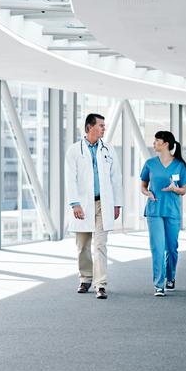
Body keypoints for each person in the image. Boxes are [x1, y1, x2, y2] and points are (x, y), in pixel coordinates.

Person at [64, 113, 122, 299]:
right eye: (101, 125)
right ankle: (85, 278)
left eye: (104, 126)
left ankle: (101, 283)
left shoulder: (108, 149)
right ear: (89, 127)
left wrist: (117, 203)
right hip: (82, 204)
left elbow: (116, 178)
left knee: (100, 245)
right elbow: (70, 179)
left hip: (102, 204)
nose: (104, 128)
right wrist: (75, 203)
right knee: (83, 245)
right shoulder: (74, 150)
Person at [139, 131, 186, 297]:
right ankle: (159, 284)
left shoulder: (180, 165)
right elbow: (143, 186)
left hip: (172, 211)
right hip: (154, 210)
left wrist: (175, 189)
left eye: (157, 141)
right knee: (157, 248)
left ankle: (171, 277)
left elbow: (183, 190)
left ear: (166, 144)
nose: (154, 144)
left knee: (172, 248)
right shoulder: (149, 164)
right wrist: (147, 193)